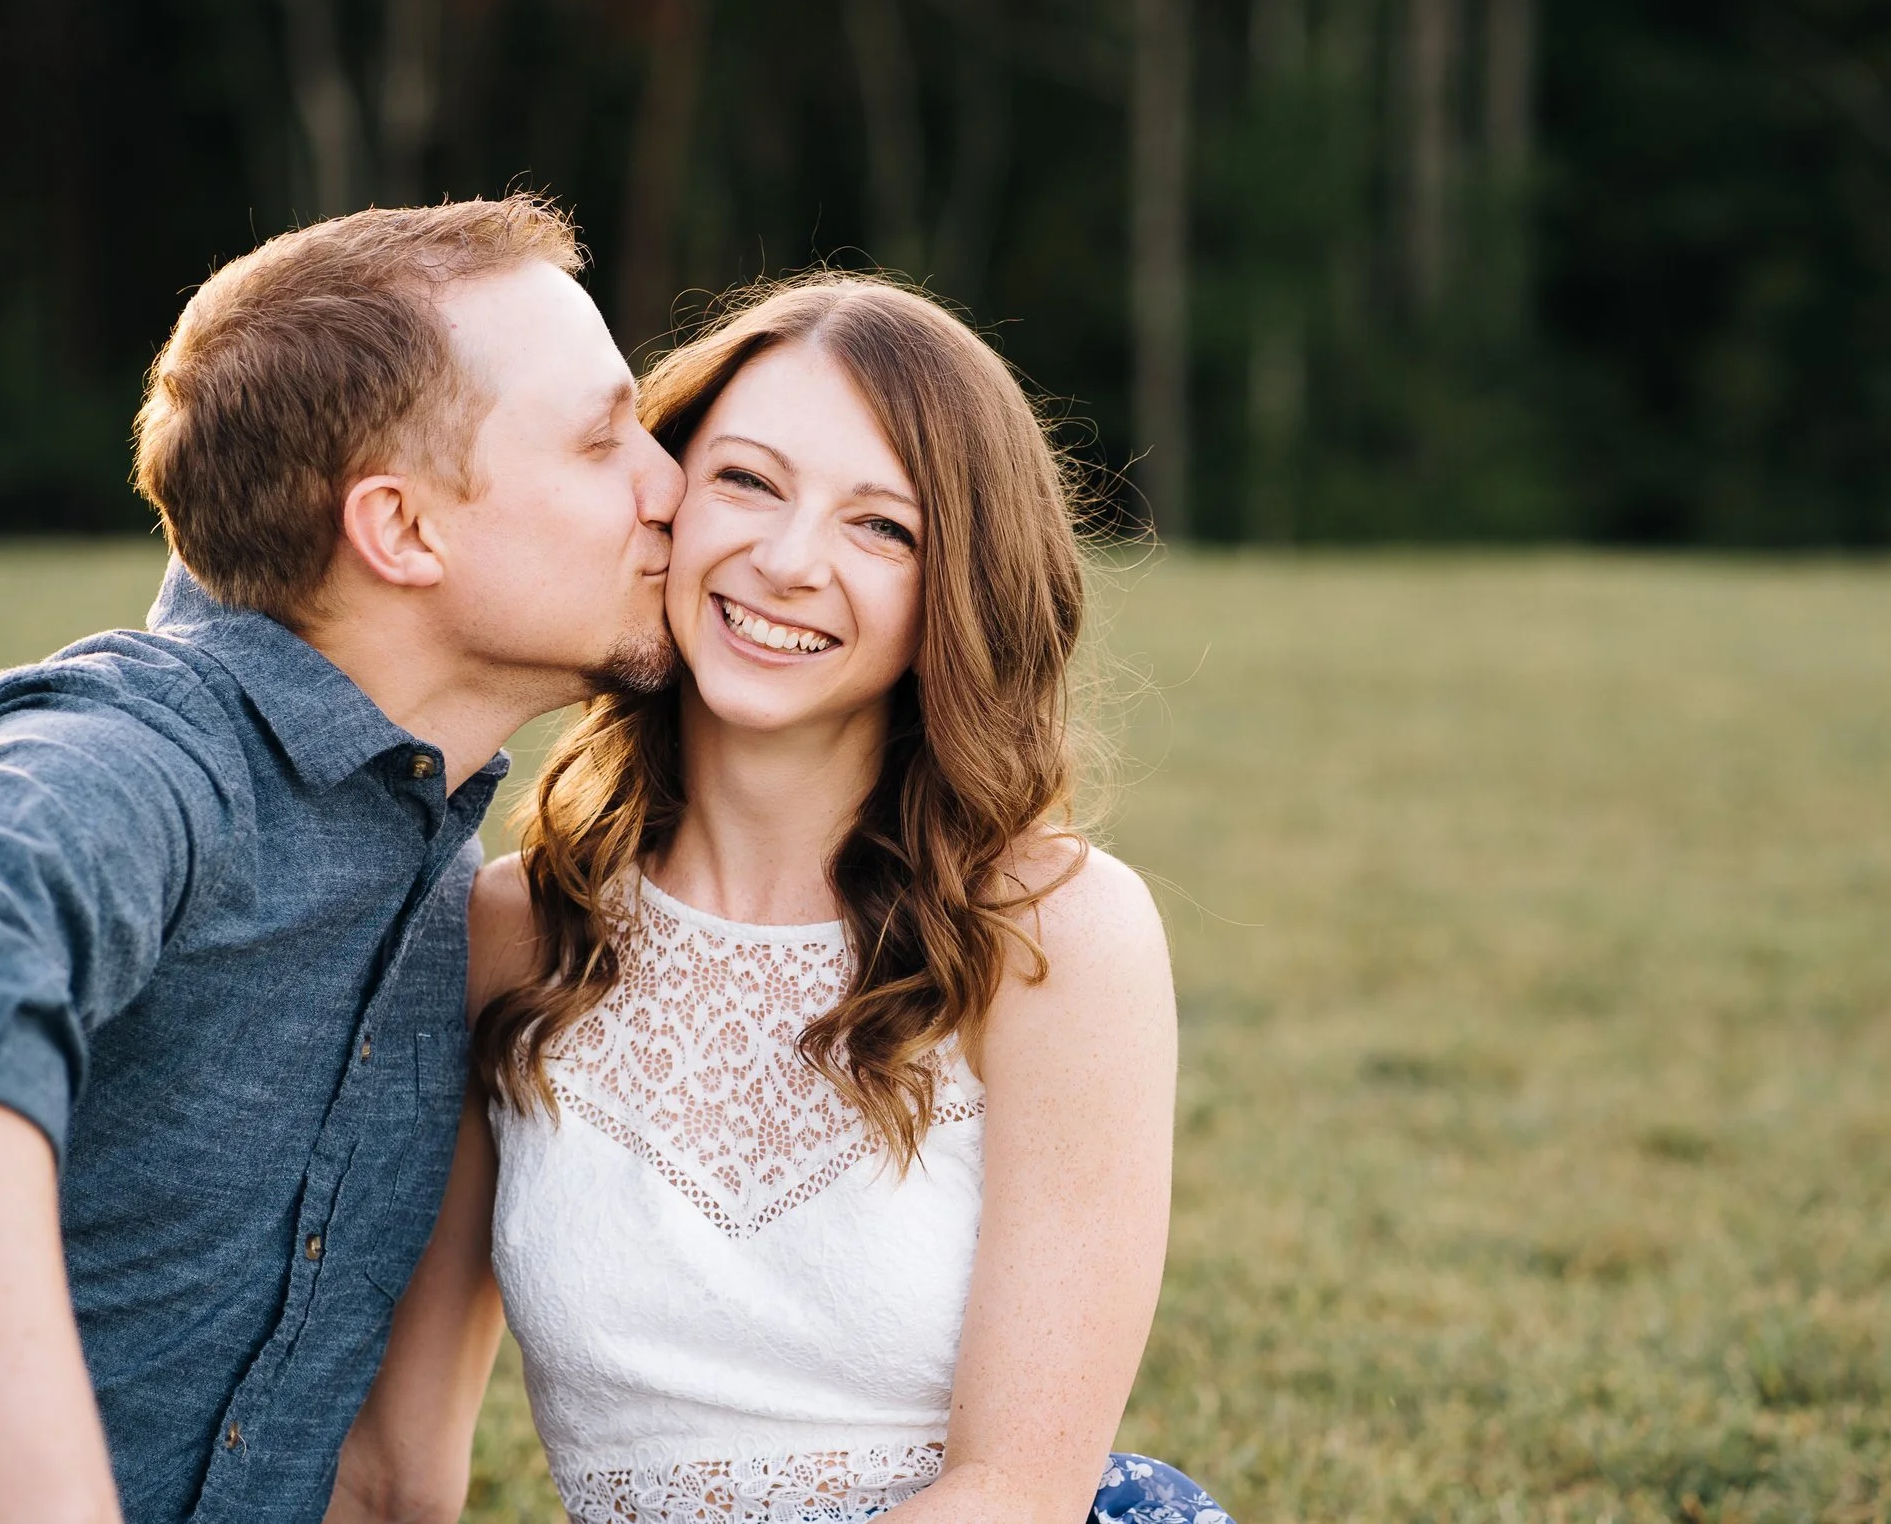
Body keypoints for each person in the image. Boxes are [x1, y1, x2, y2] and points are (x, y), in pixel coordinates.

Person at [0, 197, 686, 1524]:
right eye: (603, 438)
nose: (671, 485)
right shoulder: (145, 753)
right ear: (404, 529)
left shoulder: (430, 866)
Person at [328, 277, 1231, 1522]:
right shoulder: (506, 931)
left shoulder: (1054, 930)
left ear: (953, 590)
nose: (788, 560)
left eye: (883, 528)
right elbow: (391, 1472)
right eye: (747, 481)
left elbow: (1017, 1487)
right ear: (661, 497)